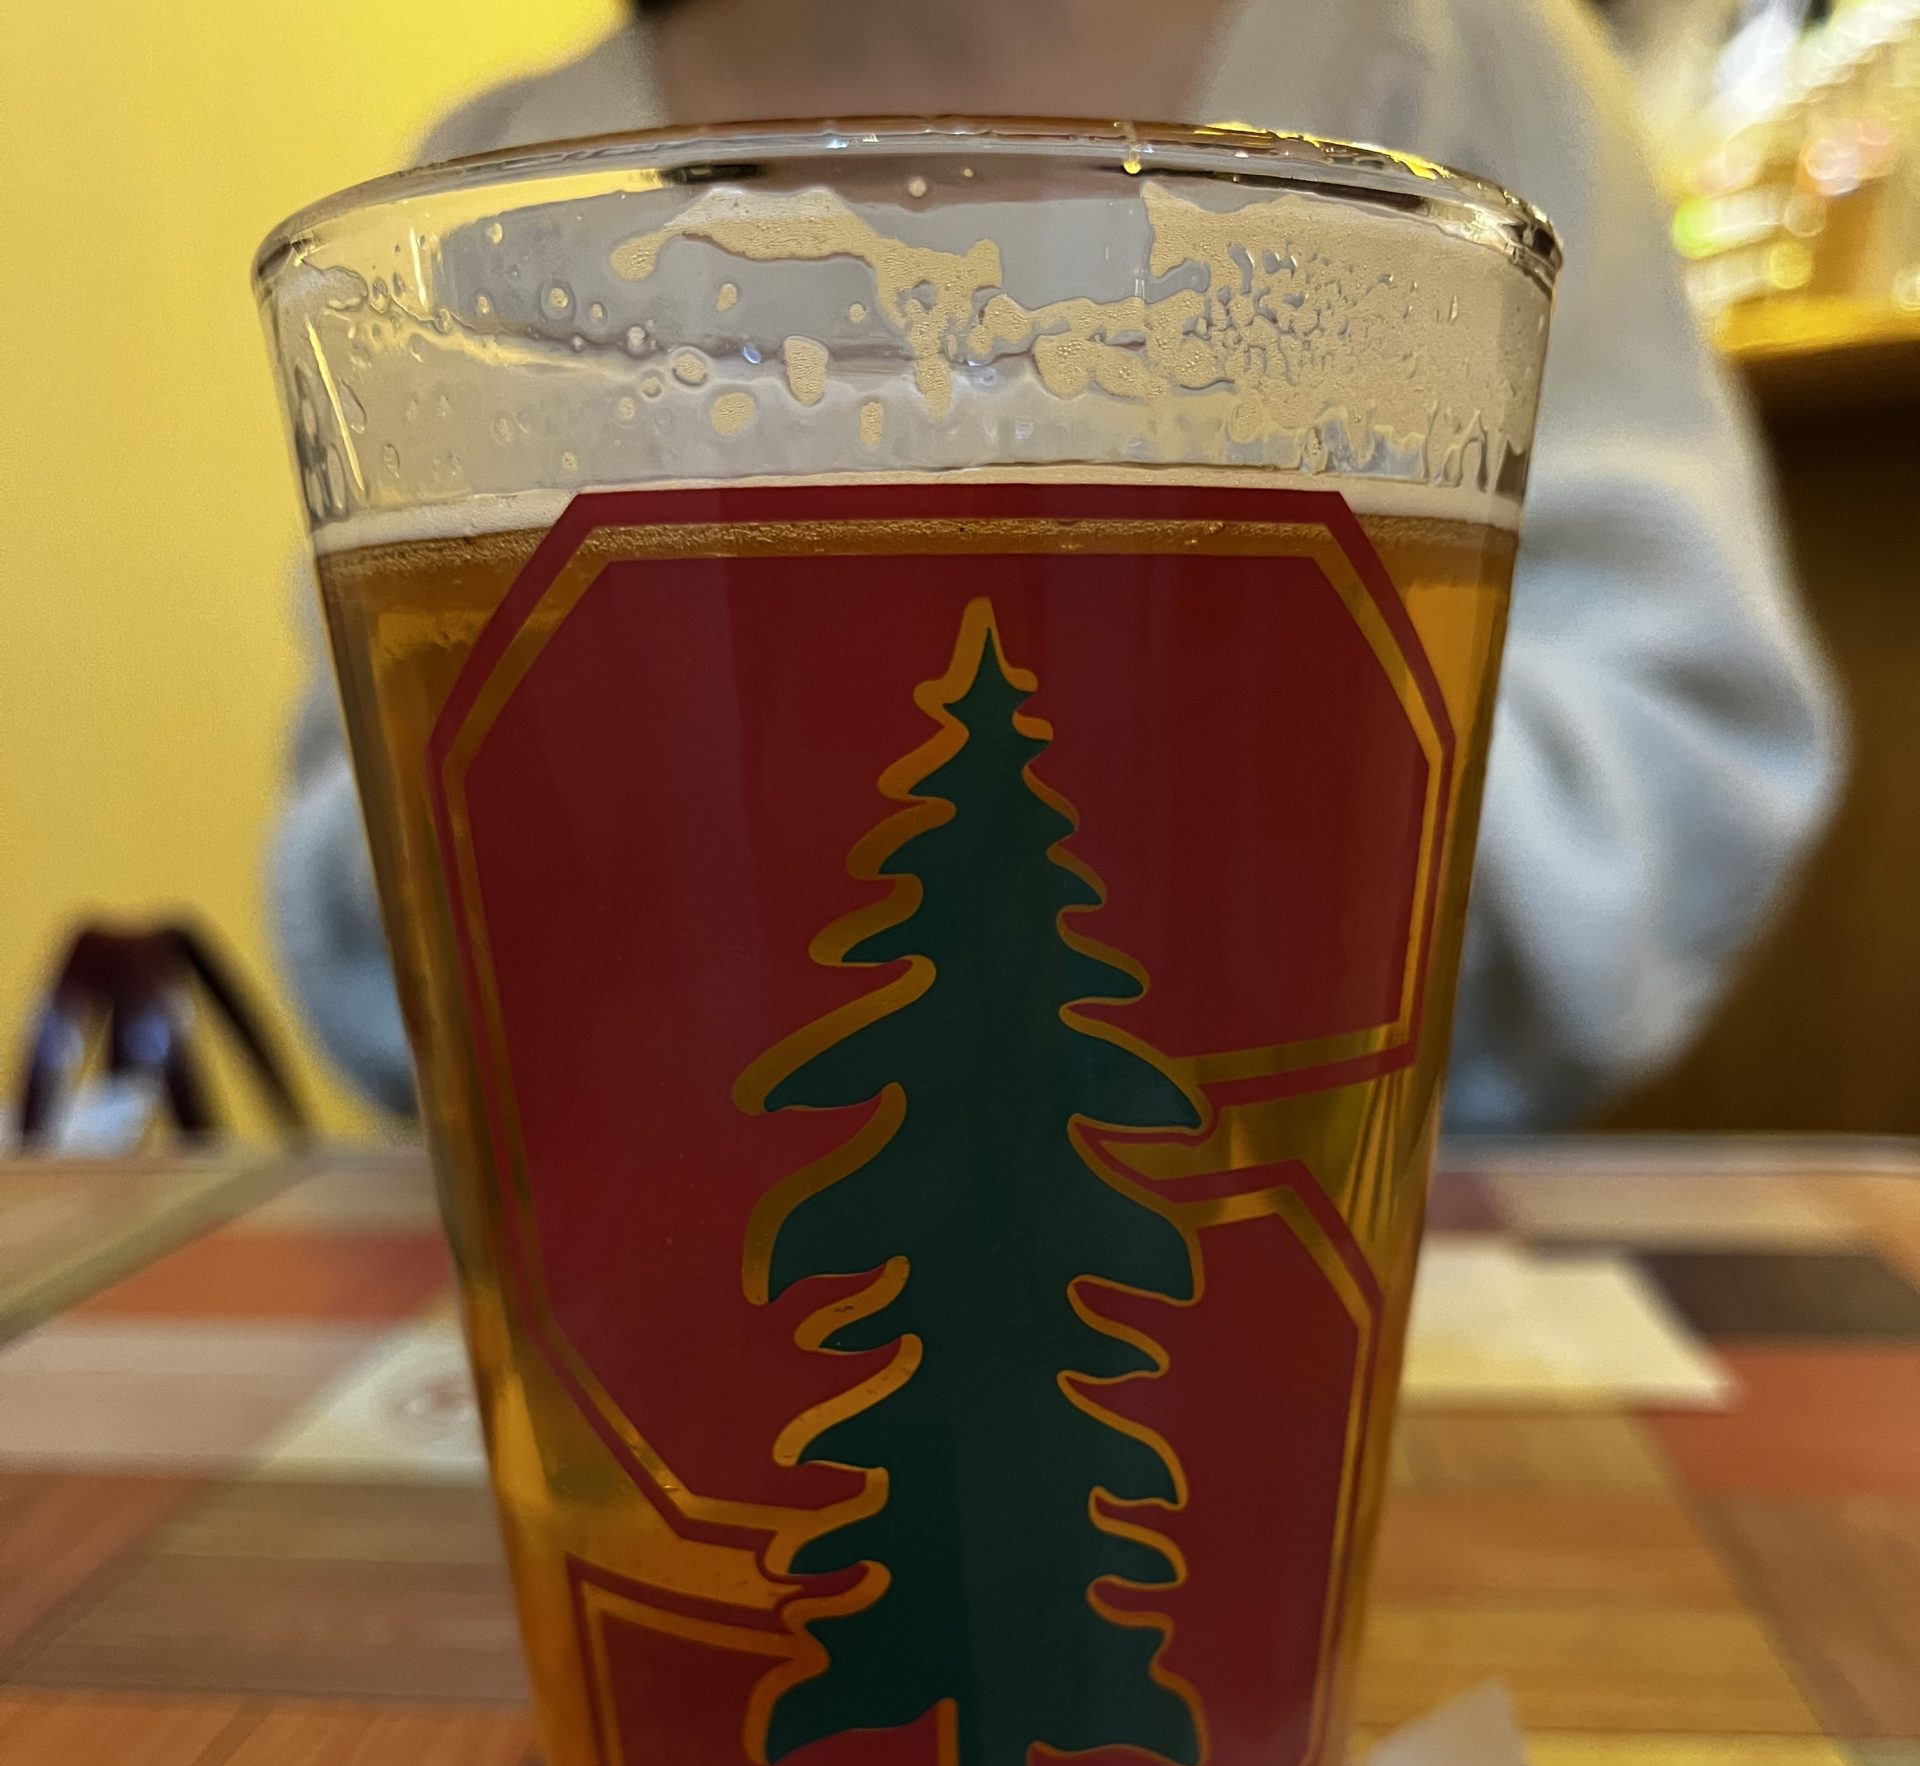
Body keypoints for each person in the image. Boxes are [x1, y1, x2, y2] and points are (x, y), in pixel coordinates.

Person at [273, 0, 1841, 1129]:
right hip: (648, 1275)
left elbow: (1685, 749)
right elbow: (372, 909)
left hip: (1318, 1262)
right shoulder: (476, 199)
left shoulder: (1454, 63)